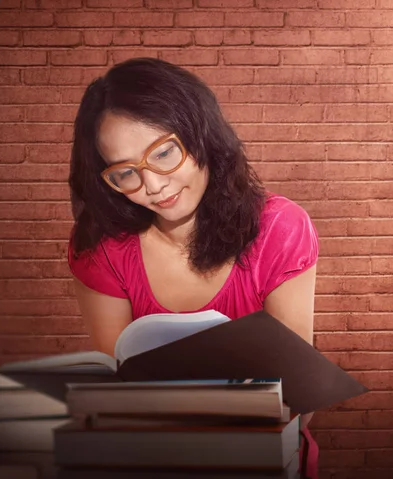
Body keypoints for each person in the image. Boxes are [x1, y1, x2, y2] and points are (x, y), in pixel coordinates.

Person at [67, 58, 320, 478]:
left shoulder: (278, 228)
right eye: (125, 172)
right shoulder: (101, 246)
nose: (152, 185)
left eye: (164, 152)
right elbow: (114, 391)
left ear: (202, 135)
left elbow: (300, 399)